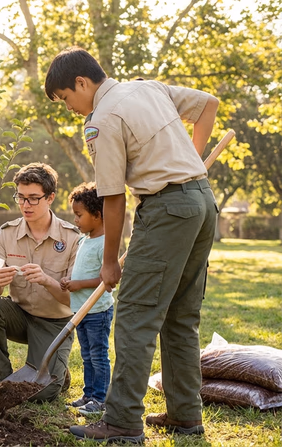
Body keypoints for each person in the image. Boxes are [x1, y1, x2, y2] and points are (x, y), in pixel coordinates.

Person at [45, 46, 219, 443]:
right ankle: (185, 414)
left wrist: (109, 262)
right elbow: (208, 105)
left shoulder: (102, 119)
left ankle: (122, 421)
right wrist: (190, 162)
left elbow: (112, 196)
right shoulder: (148, 88)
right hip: (202, 203)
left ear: (81, 82)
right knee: (180, 315)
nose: (68, 107)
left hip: (168, 211)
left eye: (66, 98)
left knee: (136, 317)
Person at [0, 162, 80, 403]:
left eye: (33, 198)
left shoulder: (72, 238)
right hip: (19, 316)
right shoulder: (6, 234)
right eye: (20, 198)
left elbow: (73, 300)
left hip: (55, 323)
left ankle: (59, 373)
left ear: (50, 197)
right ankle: (1, 383)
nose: (25, 205)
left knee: (44, 393)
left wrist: (46, 280)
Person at [60, 182, 113, 416]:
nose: (76, 220)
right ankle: (88, 394)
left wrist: (78, 284)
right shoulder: (84, 240)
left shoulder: (105, 244)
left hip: (97, 311)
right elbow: (82, 270)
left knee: (98, 355)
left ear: (97, 215)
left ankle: (100, 399)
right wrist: (70, 279)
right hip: (81, 309)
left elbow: (105, 280)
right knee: (86, 355)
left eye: (79, 215)